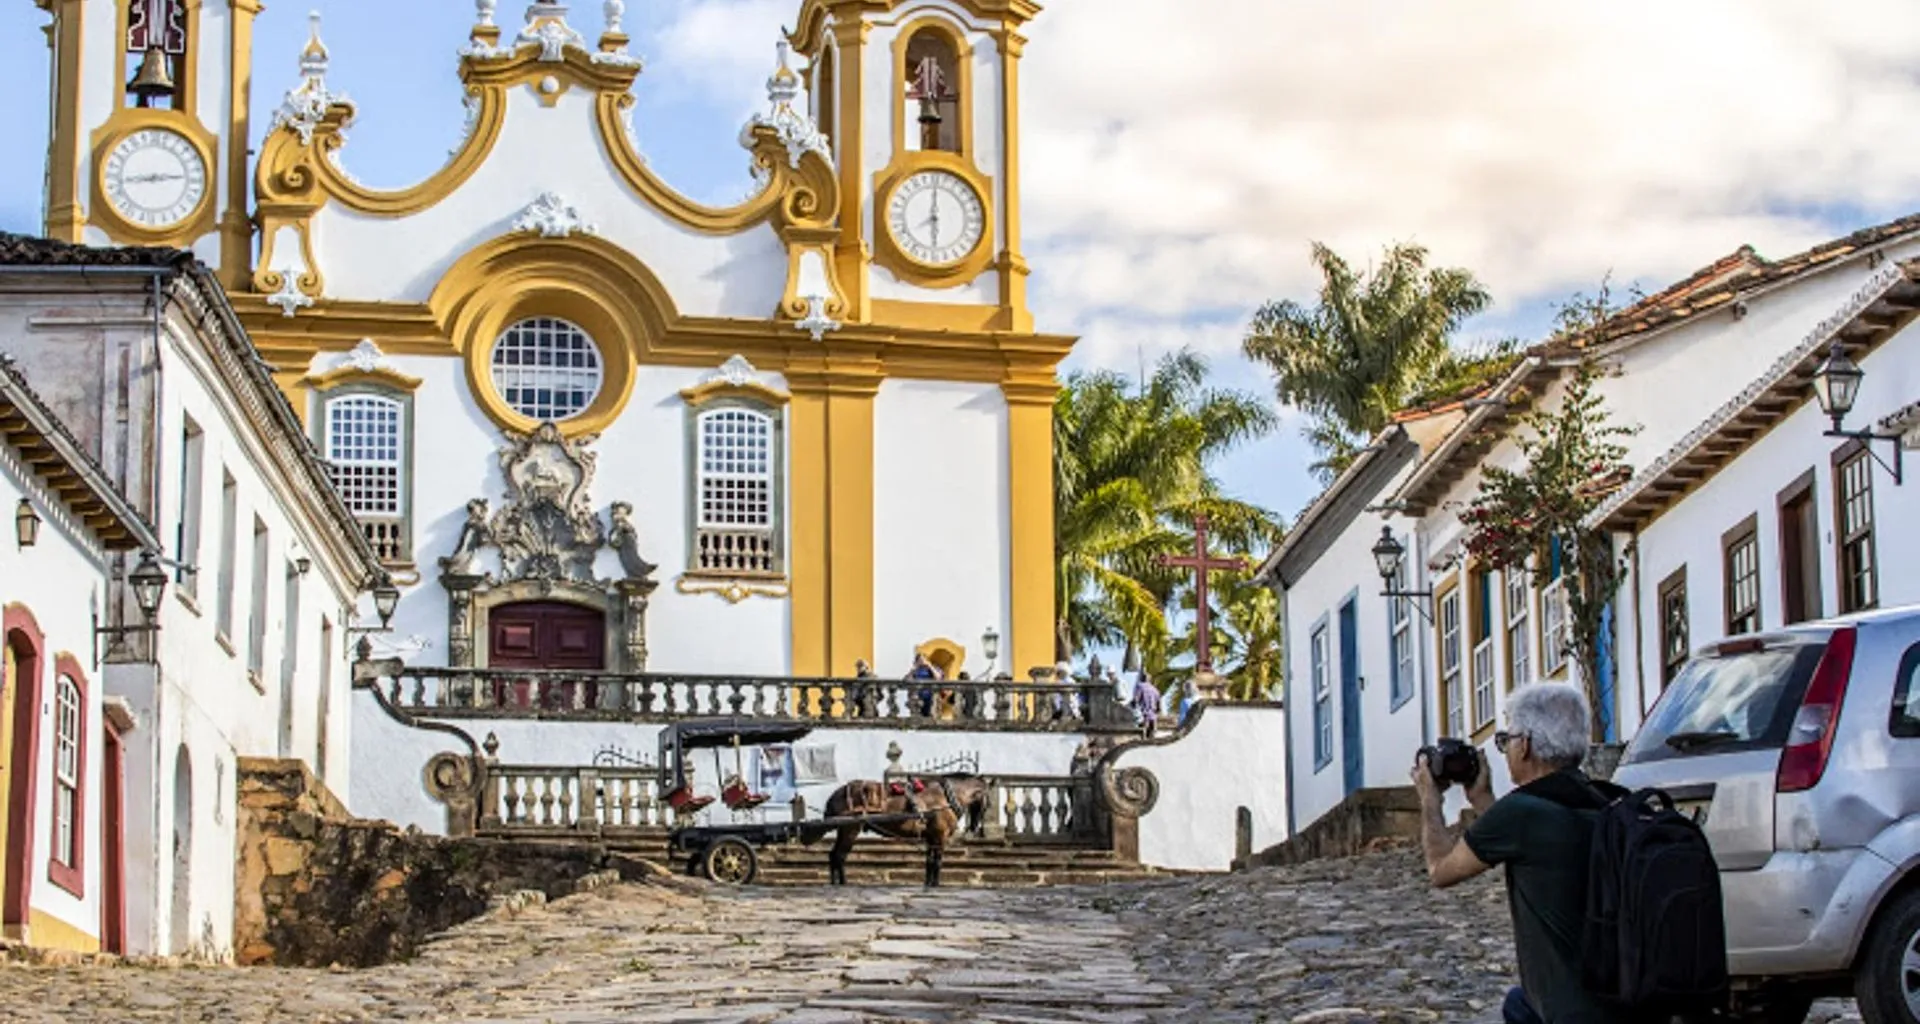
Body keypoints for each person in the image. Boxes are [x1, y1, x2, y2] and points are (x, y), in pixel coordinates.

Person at [1411, 683, 1631, 1024]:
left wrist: (1429, 799)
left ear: (1525, 745)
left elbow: (1440, 870)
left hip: (1570, 1011)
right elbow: (1522, 846)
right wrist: (1483, 799)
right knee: (1518, 1004)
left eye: (1506, 740)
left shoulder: (1520, 815)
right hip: (1628, 999)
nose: (1506, 750)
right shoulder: (1606, 801)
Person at [907, 652, 941, 717]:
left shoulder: (933, 668)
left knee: (930, 718)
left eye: (923, 660)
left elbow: (938, 678)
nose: (922, 662)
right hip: (918, 698)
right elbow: (906, 680)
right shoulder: (915, 671)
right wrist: (914, 669)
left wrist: (930, 666)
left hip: (930, 697)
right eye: (919, 660)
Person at [1130, 673, 1162, 737]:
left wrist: (1130, 707)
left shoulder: (1140, 686)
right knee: (1152, 739)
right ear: (1150, 680)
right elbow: (1159, 708)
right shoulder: (1155, 690)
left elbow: (1136, 700)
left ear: (1142, 679)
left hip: (1144, 716)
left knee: (1143, 738)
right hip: (1153, 718)